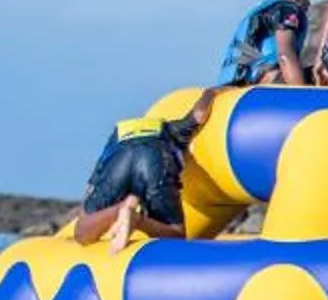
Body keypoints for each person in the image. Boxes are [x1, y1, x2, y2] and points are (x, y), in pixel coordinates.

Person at [73, 88, 222, 250]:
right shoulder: (172, 129)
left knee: (82, 232)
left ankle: (121, 209)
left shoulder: (117, 135)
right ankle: (137, 220)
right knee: (176, 236)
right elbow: (199, 114)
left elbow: (96, 176)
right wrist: (211, 92)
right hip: (156, 157)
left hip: (119, 156)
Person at [218, 0, 315, 88]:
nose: (309, 2)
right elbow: (285, 55)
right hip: (272, 80)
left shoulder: (260, 11)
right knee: (322, 71)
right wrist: (302, 93)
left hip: (242, 85)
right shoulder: (287, 8)